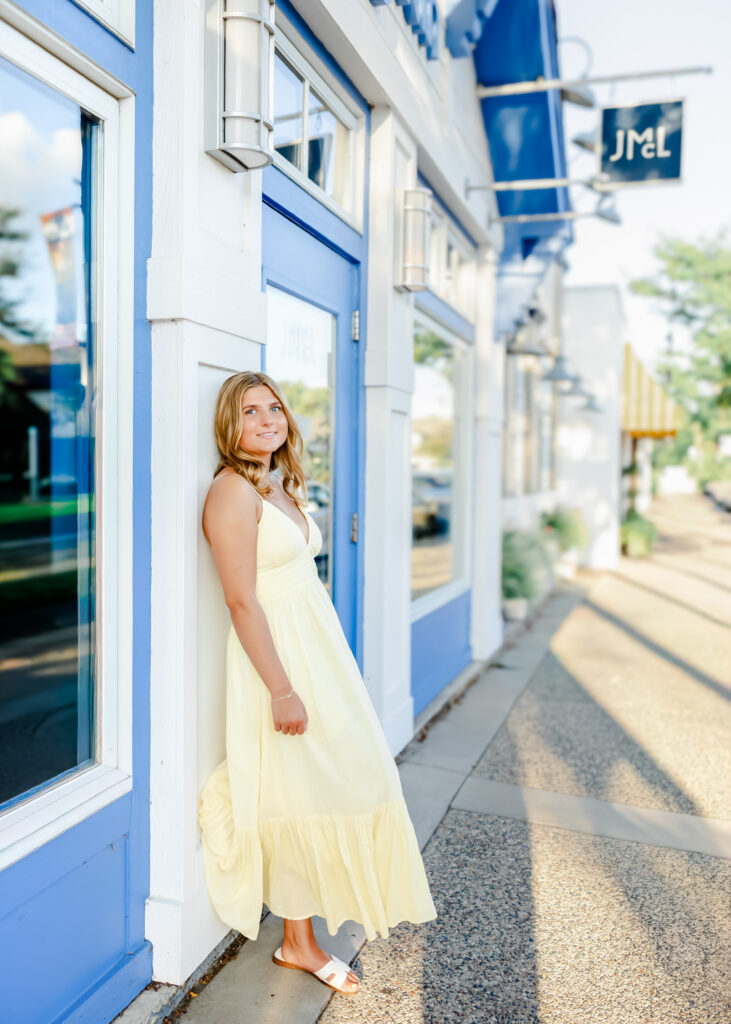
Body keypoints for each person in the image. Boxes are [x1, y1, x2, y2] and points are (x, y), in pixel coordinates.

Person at [197, 370, 437, 996]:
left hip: (318, 652)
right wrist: (282, 688)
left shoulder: (274, 483)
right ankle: (298, 944)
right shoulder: (230, 491)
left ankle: (305, 934)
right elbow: (242, 602)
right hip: (278, 661)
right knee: (295, 789)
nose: (268, 420)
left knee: (347, 773)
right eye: (251, 412)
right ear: (231, 424)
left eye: (274, 407)